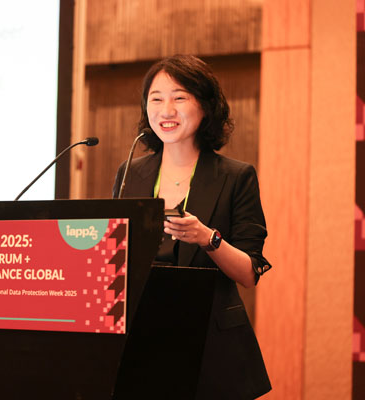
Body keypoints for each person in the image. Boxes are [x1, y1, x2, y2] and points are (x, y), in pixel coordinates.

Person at [112, 55, 272, 399]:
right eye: (156, 99)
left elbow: (248, 273)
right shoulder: (130, 174)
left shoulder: (236, 176)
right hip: (141, 343)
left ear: (206, 107)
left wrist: (208, 238)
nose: (166, 109)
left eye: (179, 97)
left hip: (209, 346)